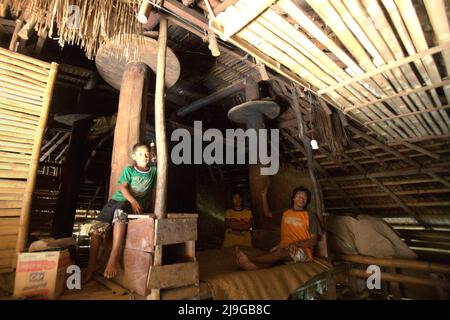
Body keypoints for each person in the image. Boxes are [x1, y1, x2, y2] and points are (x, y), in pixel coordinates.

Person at [84, 142, 157, 281]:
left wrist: (153, 209)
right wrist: (133, 201)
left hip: (126, 205)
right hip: (117, 200)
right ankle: (91, 266)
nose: (144, 156)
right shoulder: (129, 170)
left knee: (120, 213)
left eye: (147, 154)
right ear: (134, 156)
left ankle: (114, 256)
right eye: (141, 154)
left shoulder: (153, 171)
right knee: (96, 229)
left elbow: (153, 191)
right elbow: (123, 188)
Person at [236, 186, 320, 270]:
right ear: (293, 198)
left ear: (307, 201)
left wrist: (296, 244)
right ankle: (251, 266)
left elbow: (313, 240)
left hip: (302, 250)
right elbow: (267, 213)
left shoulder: (310, 216)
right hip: (284, 246)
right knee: (270, 256)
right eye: (299, 195)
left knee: (279, 253)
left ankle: (250, 259)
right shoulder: (285, 212)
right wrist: (263, 196)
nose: (302, 198)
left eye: (304, 197)